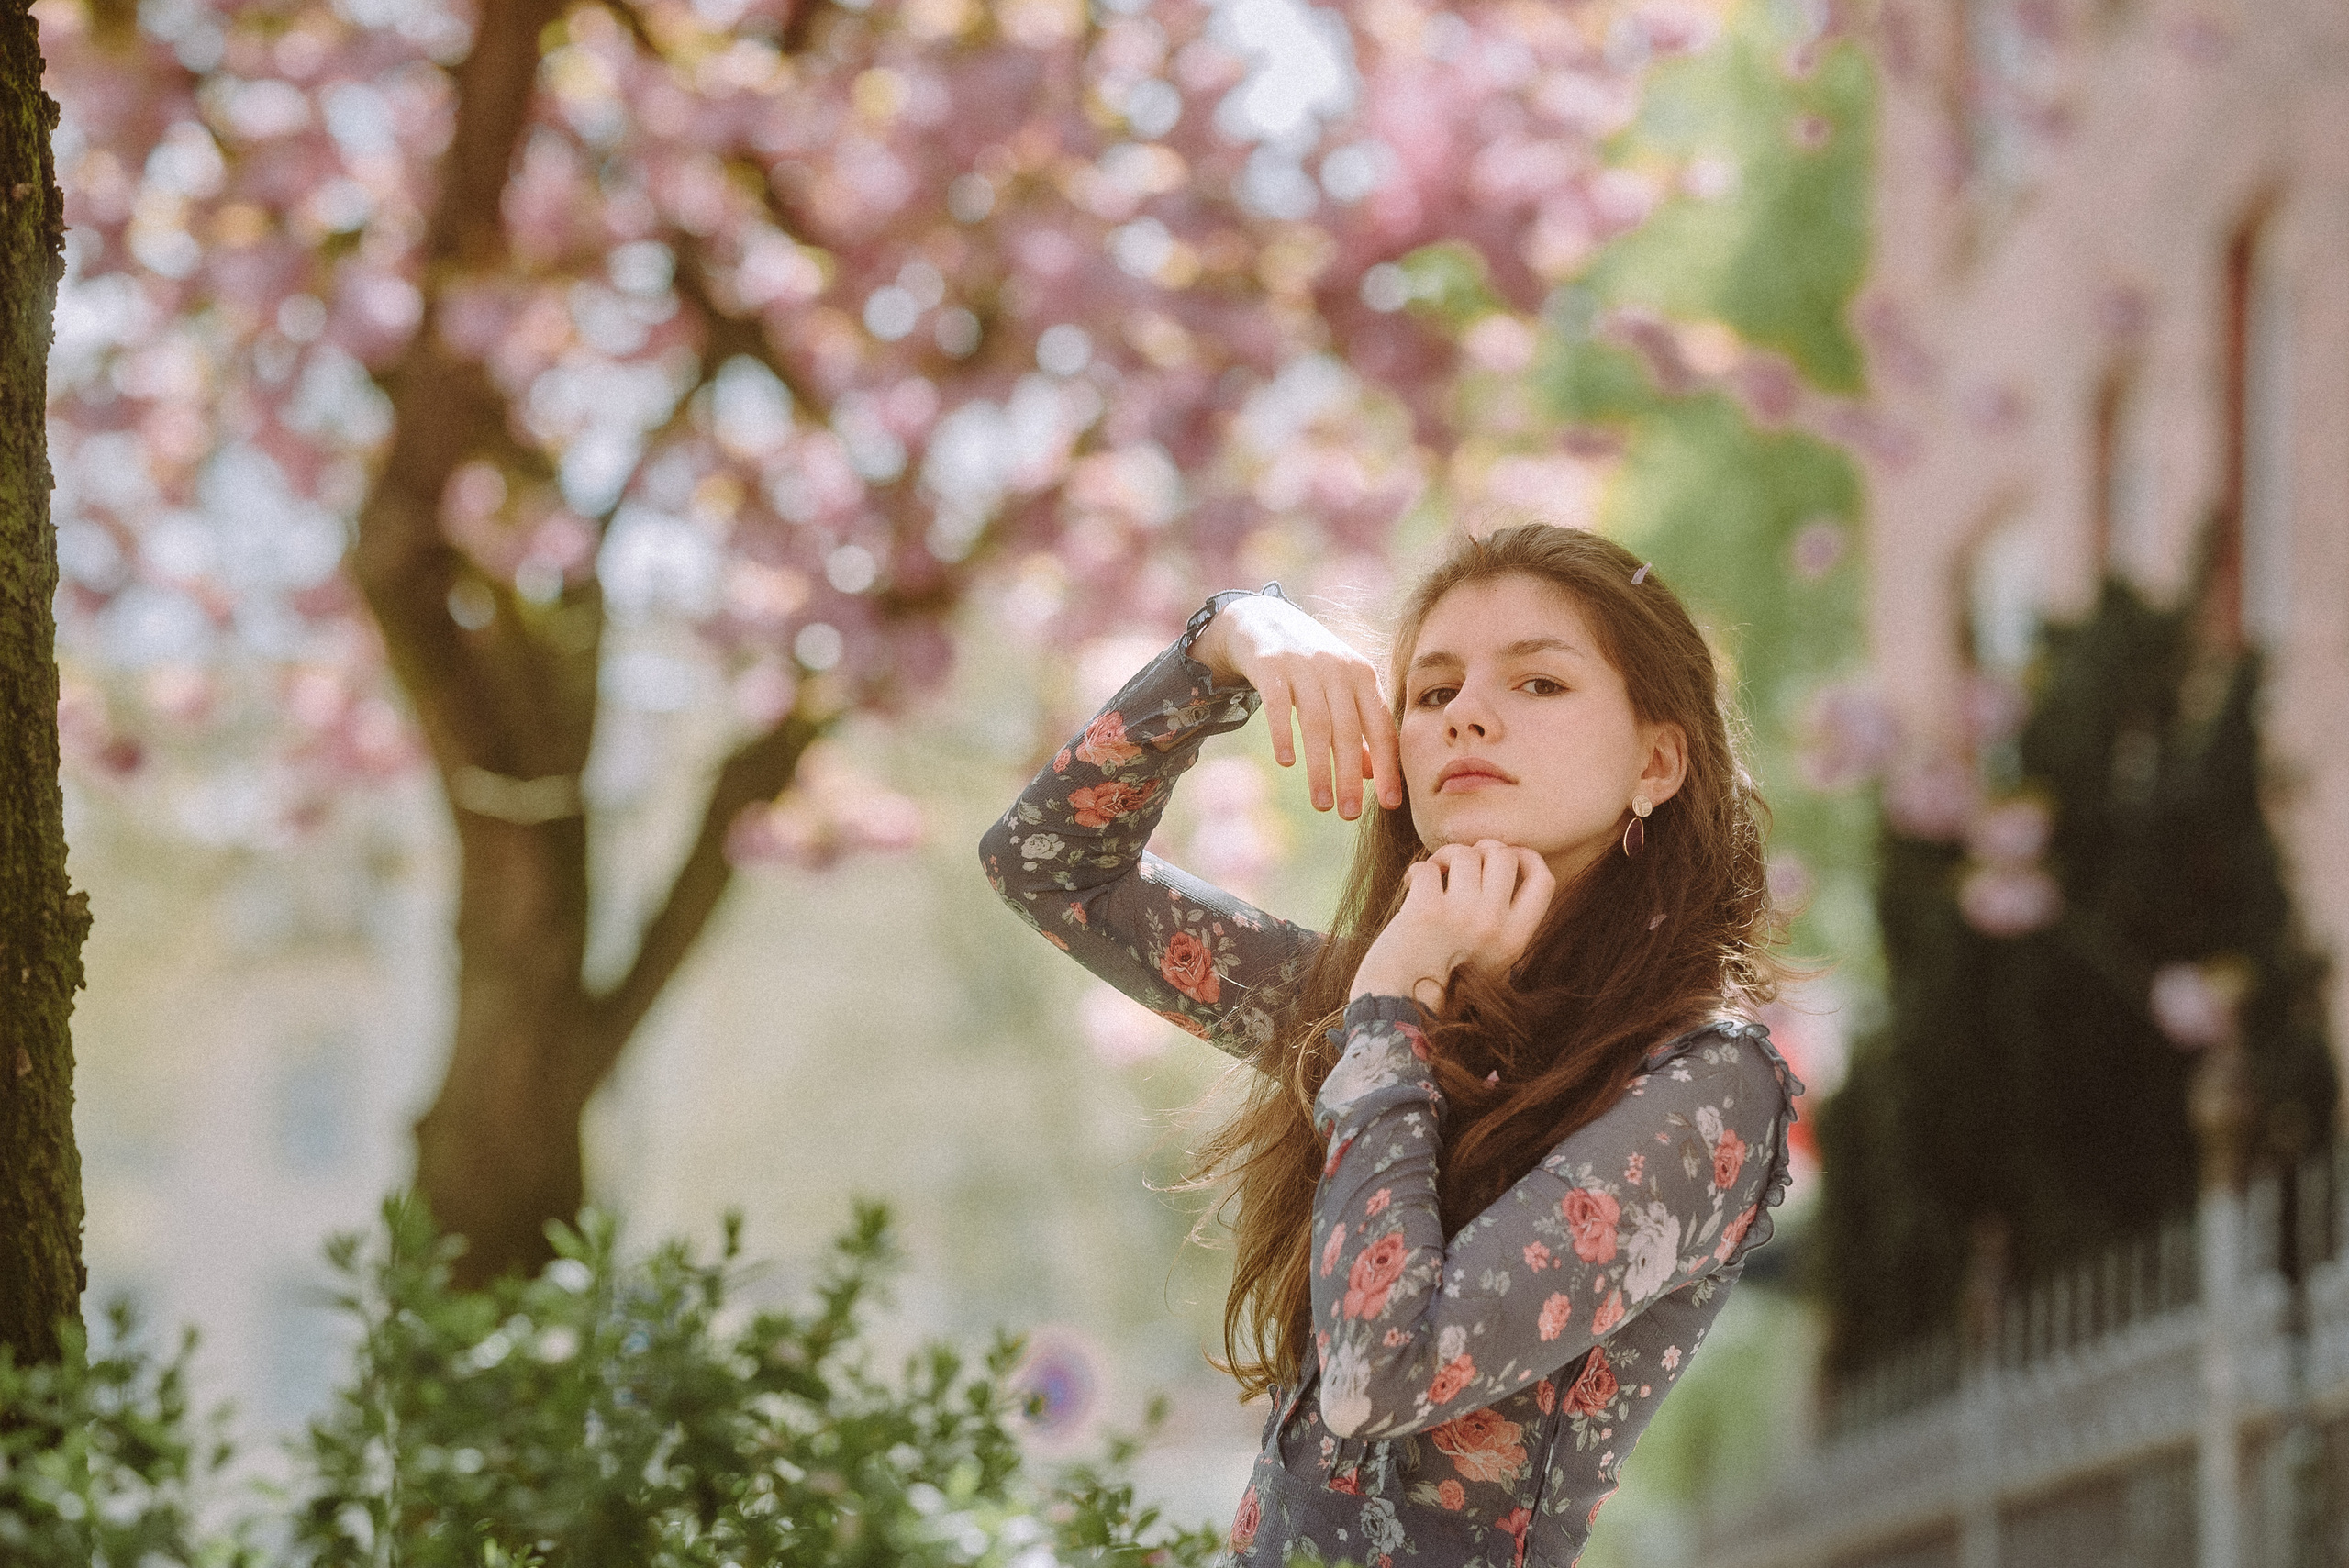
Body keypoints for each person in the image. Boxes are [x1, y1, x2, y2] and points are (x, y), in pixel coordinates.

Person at [979, 524, 1801, 1567]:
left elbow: (1385, 1372)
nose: (1467, 713)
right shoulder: (1375, 1005)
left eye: (1538, 683)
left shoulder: (1704, 1083)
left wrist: (1390, 1000)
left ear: (1656, 760)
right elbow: (1047, 865)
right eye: (1431, 691)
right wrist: (1228, 639)